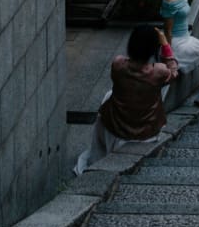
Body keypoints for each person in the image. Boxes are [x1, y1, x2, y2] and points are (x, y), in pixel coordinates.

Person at [74, 23, 178, 173]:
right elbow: (174, 72)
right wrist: (166, 45)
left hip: (116, 124)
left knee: (108, 96)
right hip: (147, 129)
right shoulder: (159, 71)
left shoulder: (118, 64)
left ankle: (99, 151)